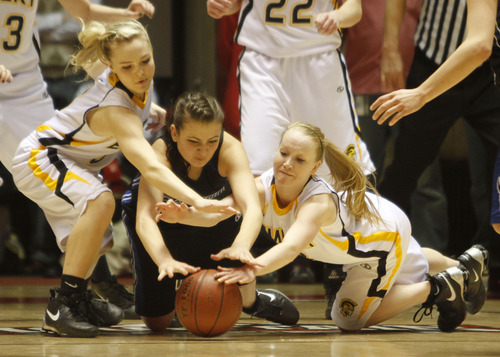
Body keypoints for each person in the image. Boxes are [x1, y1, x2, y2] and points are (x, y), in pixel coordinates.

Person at [11, 20, 236, 338]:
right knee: (100, 201)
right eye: (128, 66)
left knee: (98, 235)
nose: (140, 72)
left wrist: (150, 108)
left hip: (74, 163)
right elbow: (153, 169)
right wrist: (198, 200)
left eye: (145, 60)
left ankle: (79, 297)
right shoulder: (118, 111)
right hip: (41, 157)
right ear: (113, 66)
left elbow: (125, 93)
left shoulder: (129, 83)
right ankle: (62, 306)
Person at [198, 122, 488, 332]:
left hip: (382, 241)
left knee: (348, 320)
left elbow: (290, 248)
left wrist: (252, 268)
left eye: (299, 160)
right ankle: (463, 266)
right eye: (283, 153)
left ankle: (440, 287)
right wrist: (183, 214)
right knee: (407, 268)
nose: (286, 164)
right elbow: (221, 210)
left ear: (315, 167)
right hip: (374, 219)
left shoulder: (316, 204)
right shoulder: (265, 185)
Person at [0, 0, 155, 316]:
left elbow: (83, 10)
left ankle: (88, 287)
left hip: (24, 88)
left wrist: (126, 15)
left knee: (76, 187)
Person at [121, 91, 299, 331]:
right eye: (193, 142)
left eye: (212, 141)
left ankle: (253, 301)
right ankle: (172, 300)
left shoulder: (230, 149)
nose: (203, 151)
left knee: (236, 230)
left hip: (217, 223)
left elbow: (252, 209)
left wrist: (242, 246)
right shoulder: (160, 154)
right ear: (174, 132)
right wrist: (164, 260)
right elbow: (144, 219)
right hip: (164, 227)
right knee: (157, 323)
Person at [370, 0, 500, 294]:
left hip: (488, 72)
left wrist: (420, 95)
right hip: (436, 59)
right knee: (406, 167)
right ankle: (373, 256)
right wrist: (391, 47)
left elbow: (480, 45)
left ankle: (485, 266)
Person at [206, 0, 374, 178]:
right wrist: (223, 5)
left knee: (338, 168)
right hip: (262, 61)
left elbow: (354, 7)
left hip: (319, 59)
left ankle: (336, 205)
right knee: (260, 166)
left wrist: (337, 17)